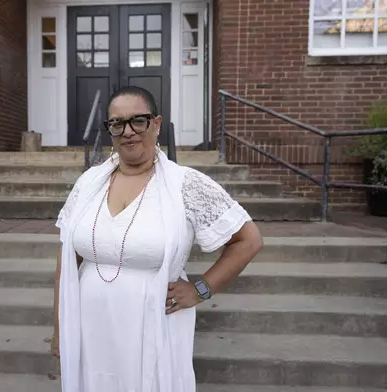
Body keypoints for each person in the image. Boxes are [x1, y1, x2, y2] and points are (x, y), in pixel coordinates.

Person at [52, 86, 263, 392]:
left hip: (152, 325)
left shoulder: (185, 185)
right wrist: (60, 326)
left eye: (139, 120)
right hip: (90, 325)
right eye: (117, 123)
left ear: (157, 124)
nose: (128, 132)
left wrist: (201, 289)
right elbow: (68, 257)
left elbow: (249, 240)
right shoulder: (89, 184)